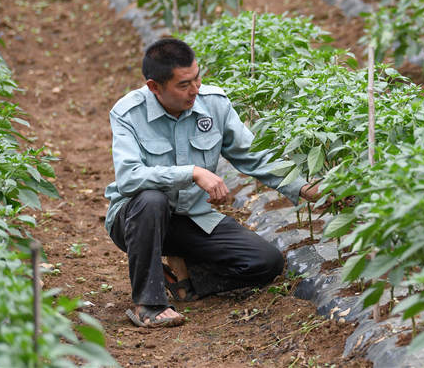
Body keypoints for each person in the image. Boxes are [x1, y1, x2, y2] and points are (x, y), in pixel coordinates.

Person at [104, 38, 320, 328]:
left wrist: (305, 187)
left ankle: (186, 277)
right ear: (155, 87)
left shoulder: (213, 104)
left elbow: (253, 156)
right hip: (135, 220)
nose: (195, 90)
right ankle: (149, 304)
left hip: (190, 218)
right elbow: (129, 177)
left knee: (266, 262)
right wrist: (192, 172)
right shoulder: (128, 113)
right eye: (183, 85)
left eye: (197, 79)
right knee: (151, 199)